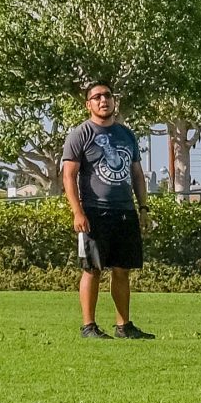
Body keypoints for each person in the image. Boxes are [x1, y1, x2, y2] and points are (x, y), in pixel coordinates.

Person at [62, 81, 155, 340]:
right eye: (97, 97)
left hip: (124, 211)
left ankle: (124, 326)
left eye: (108, 96)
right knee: (92, 268)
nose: (104, 100)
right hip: (94, 212)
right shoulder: (80, 134)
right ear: (88, 104)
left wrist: (143, 208)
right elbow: (68, 176)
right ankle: (88, 326)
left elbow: (137, 174)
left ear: (114, 101)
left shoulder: (126, 135)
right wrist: (77, 212)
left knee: (122, 269)